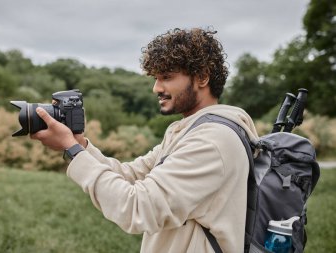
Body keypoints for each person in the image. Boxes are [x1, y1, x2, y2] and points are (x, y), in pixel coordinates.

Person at [31, 27, 259, 252]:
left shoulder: (212, 141)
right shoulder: (189, 131)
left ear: (202, 77)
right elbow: (130, 176)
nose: (156, 88)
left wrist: (71, 149)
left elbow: (138, 208)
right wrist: (80, 146)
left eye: (167, 77)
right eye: (156, 78)